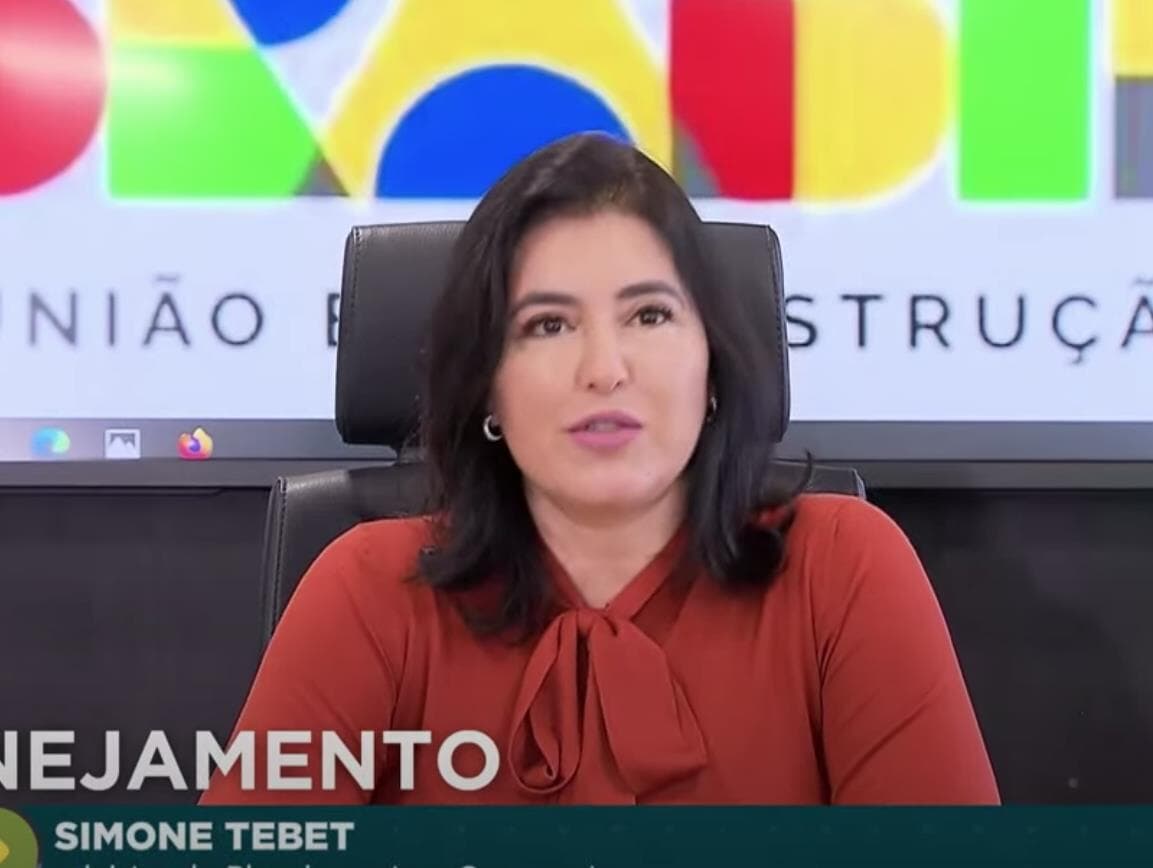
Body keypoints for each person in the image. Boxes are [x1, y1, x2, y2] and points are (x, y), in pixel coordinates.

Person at [200, 132, 999, 806]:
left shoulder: (842, 568)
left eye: (649, 314)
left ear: (712, 364)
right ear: (487, 386)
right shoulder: (371, 590)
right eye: (548, 325)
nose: (605, 369)